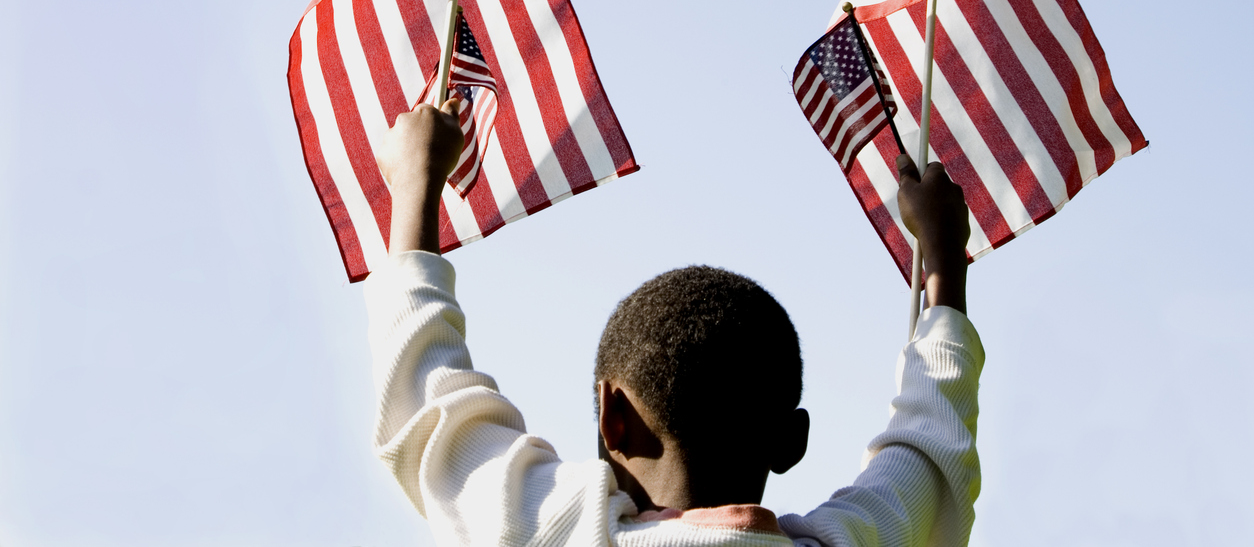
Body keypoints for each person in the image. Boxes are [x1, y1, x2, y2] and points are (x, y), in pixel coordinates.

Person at [366, 102, 984, 546]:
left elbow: (426, 405)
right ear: (790, 442)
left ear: (612, 417)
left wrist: (415, 184)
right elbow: (928, 452)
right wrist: (944, 270)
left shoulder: (562, 530)